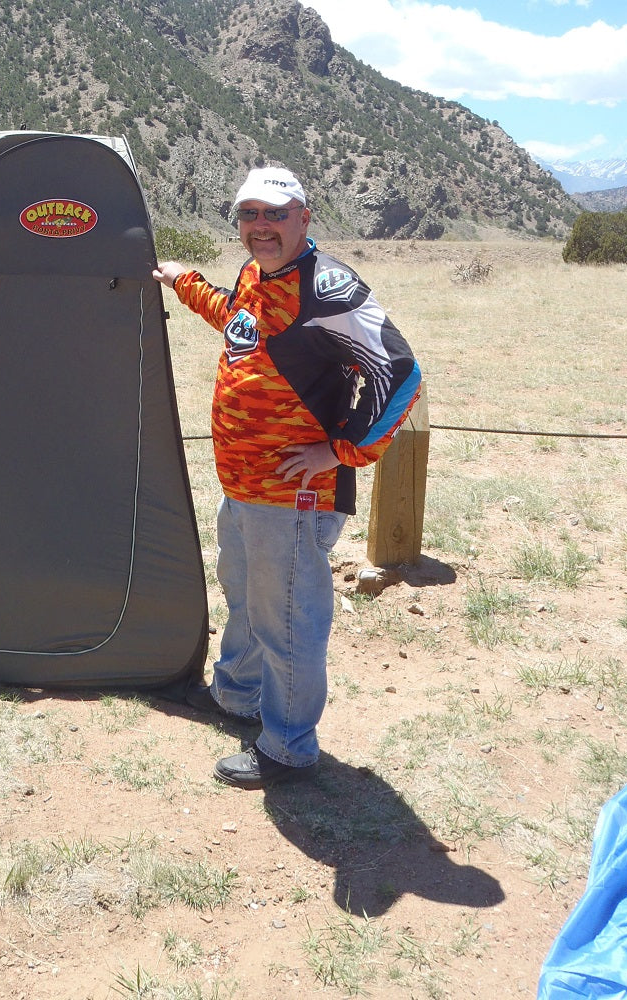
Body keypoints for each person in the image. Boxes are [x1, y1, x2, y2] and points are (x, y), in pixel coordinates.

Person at [153, 166, 421, 790]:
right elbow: (241, 323)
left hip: (292, 494)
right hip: (244, 484)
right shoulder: (257, 275)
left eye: (275, 215)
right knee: (247, 596)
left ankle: (289, 746)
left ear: (304, 217)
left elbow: (400, 372)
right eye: (250, 214)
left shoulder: (327, 289)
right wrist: (184, 282)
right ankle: (238, 697)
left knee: (289, 619)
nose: (261, 227)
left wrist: (341, 450)